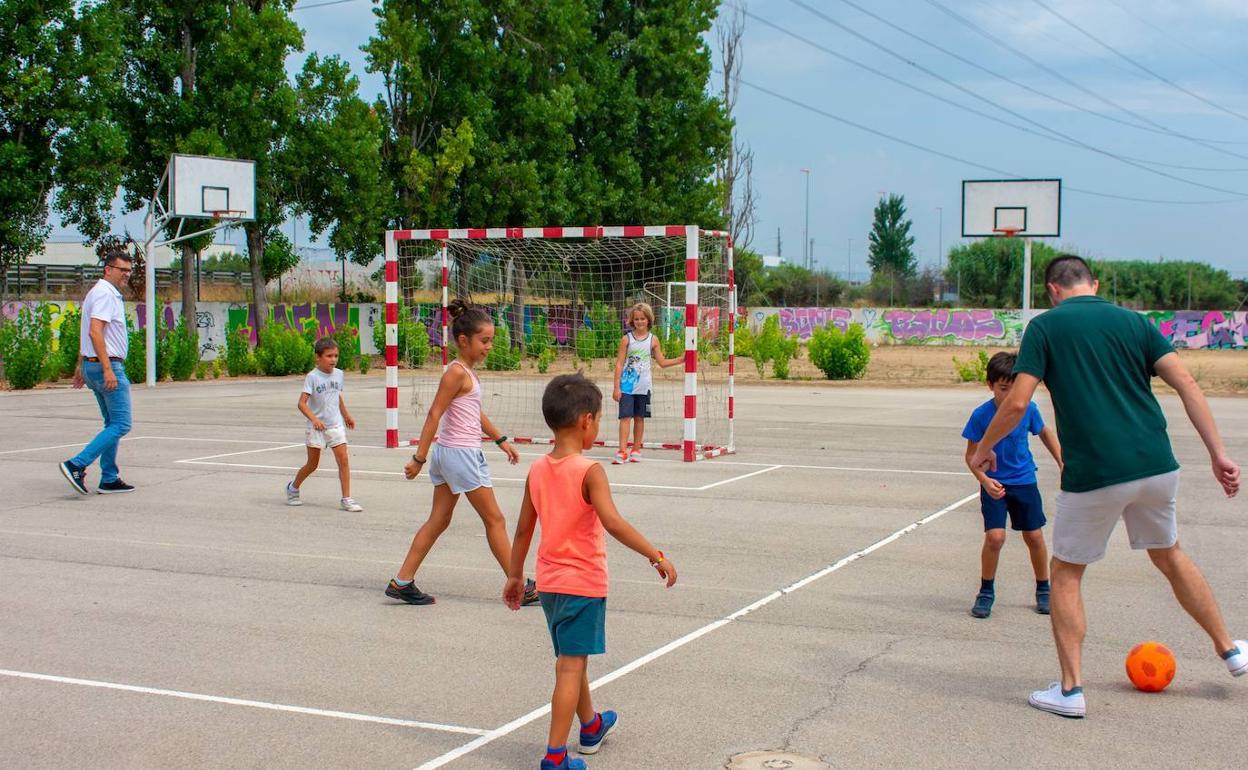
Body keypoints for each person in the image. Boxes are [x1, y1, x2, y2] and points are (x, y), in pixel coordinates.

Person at [969, 254, 1243, 719]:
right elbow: (1187, 383)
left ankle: (1071, 691)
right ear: (1093, 284)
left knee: (1068, 572)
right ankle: (1229, 649)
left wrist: (983, 450)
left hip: (1095, 473)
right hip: (1156, 464)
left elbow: (1017, 402)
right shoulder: (1134, 323)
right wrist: (1218, 453)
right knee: (1169, 554)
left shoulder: (1046, 327)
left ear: (1052, 290)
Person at [504, 373, 677, 770]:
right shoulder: (589, 470)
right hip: (582, 583)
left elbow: (523, 529)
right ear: (585, 421)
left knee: (571, 659)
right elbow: (613, 522)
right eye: (598, 420)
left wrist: (515, 576)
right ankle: (554, 757)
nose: (597, 428)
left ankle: (591, 725)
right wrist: (655, 554)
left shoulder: (537, 470)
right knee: (570, 666)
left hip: (549, 585)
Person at [385, 300, 538, 606]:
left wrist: (500, 439)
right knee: (495, 520)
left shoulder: (465, 372)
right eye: (485, 341)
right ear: (464, 340)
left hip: (450, 455)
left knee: (439, 520)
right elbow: (433, 414)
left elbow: (474, 413)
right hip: (460, 455)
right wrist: (418, 458)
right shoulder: (456, 373)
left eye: (491, 340)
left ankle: (402, 581)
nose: (489, 346)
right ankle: (519, 584)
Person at [962, 352, 1063, 619]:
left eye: (1012, 389)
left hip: (1024, 480)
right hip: (994, 483)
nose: (1008, 396)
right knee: (995, 538)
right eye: (1002, 388)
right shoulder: (981, 415)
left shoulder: (1027, 408)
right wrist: (985, 480)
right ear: (990, 385)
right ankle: (986, 591)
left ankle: (1043, 588)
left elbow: (1044, 432)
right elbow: (970, 456)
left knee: (1034, 537)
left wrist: (1062, 462)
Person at [59, 251, 136, 495]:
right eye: (122, 270)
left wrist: (82, 365)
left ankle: (109, 478)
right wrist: (105, 368)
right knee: (122, 424)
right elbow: (95, 331)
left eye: (129, 270)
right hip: (107, 366)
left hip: (94, 364)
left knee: (112, 423)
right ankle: (76, 464)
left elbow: (87, 332)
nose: (126, 274)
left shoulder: (98, 292)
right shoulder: (105, 293)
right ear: (108, 269)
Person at [286, 337, 361, 512]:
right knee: (312, 464)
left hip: (335, 425)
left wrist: (346, 415)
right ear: (318, 357)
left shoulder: (339, 374)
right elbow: (302, 403)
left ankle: (346, 499)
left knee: (343, 460)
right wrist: (314, 419)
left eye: (336, 355)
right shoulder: (312, 377)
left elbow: (336, 396)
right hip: (317, 427)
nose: (333, 359)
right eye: (329, 356)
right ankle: (293, 488)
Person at [611, 302, 681, 465]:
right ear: (632, 321)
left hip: (644, 387)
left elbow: (662, 362)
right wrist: (616, 387)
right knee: (625, 418)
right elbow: (619, 364)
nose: (640, 322)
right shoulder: (626, 339)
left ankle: (636, 449)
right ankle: (622, 451)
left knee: (639, 418)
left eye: (642, 319)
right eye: (636, 319)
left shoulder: (653, 340)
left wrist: (681, 359)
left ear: (648, 320)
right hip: (627, 386)